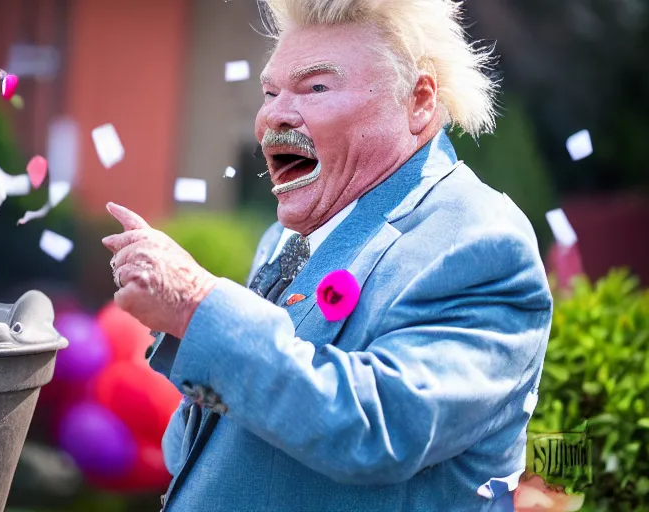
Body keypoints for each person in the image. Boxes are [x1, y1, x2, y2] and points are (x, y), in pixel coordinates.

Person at [101, 0, 553, 510]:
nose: (273, 115)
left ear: (418, 100)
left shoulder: (479, 238)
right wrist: (190, 330)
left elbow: (380, 429)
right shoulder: (285, 240)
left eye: (315, 87)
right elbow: (204, 449)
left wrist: (198, 305)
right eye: (269, 92)